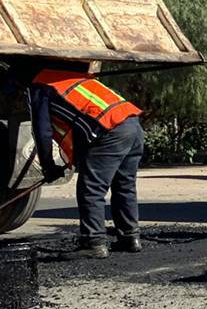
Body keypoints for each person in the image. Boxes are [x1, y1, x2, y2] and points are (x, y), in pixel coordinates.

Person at [28, 66, 145, 259]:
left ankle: (94, 242)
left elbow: (43, 131)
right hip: (132, 123)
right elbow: (82, 118)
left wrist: (48, 165)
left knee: (90, 188)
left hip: (110, 130)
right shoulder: (73, 77)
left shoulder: (40, 86)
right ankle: (130, 238)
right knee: (125, 185)